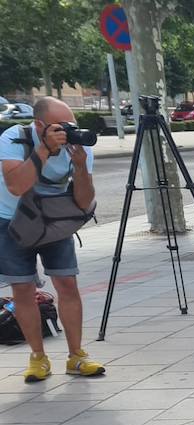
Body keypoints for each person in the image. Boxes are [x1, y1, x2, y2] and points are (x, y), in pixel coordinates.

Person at [0, 96, 104, 382]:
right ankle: (38, 357)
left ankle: (76, 356)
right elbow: (17, 186)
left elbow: (83, 201)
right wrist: (44, 150)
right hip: (11, 222)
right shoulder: (15, 138)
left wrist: (81, 167)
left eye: (71, 124)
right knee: (23, 289)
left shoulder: (78, 146)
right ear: (39, 125)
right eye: (59, 126)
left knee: (67, 283)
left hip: (53, 223)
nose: (67, 131)